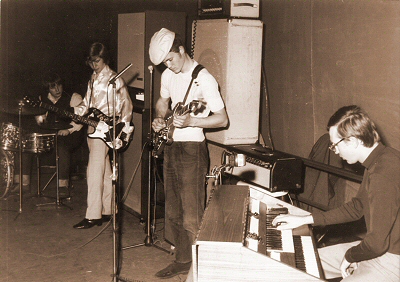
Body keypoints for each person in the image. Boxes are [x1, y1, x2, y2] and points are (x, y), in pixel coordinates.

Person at [272, 105, 400, 281]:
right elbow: (357, 207)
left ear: (353, 141)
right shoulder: (381, 159)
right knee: (298, 262)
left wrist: (351, 256)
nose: (335, 151)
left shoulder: (382, 174)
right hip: (377, 247)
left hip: (392, 258)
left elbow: (377, 244)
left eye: (334, 145)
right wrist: (306, 219)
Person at [149, 28, 228, 279]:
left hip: (192, 150)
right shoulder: (168, 75)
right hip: (171, 147)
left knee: (192, 217)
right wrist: (160, 118)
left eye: (170, 59)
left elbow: (222, 119)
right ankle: (183, 260)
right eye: (164, 62)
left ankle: (201, 272)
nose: (168, 65)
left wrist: (193, 121)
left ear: (181, 50)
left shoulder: (204, 78)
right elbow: (163, 101)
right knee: (173, 212)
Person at [73, 42, 133, 229]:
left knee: (93, 173)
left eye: (97, 61)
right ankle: (108, 210)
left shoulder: (115, 79)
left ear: (104, 58)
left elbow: (127, 106)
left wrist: (123, 131)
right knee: (105, 173)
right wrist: (76, 111)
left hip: (108, 131)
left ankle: (93, 216)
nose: (94, 65)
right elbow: (86, 102)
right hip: (94, 130)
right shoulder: (93, 78)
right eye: (91, 62)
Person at [12, 72, 84, 196]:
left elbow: (81, 119)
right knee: (26, 144)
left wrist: (68, 130)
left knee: (62, 147)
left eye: (59, 85)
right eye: (52, 87)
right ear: (48, 88)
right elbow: (41, 120)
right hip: (50, 132)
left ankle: (63, 185)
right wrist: (39, 121)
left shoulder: (74, 97)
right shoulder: (41, 99)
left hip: (71, 133)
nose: (57, 89)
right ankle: (23, 184)